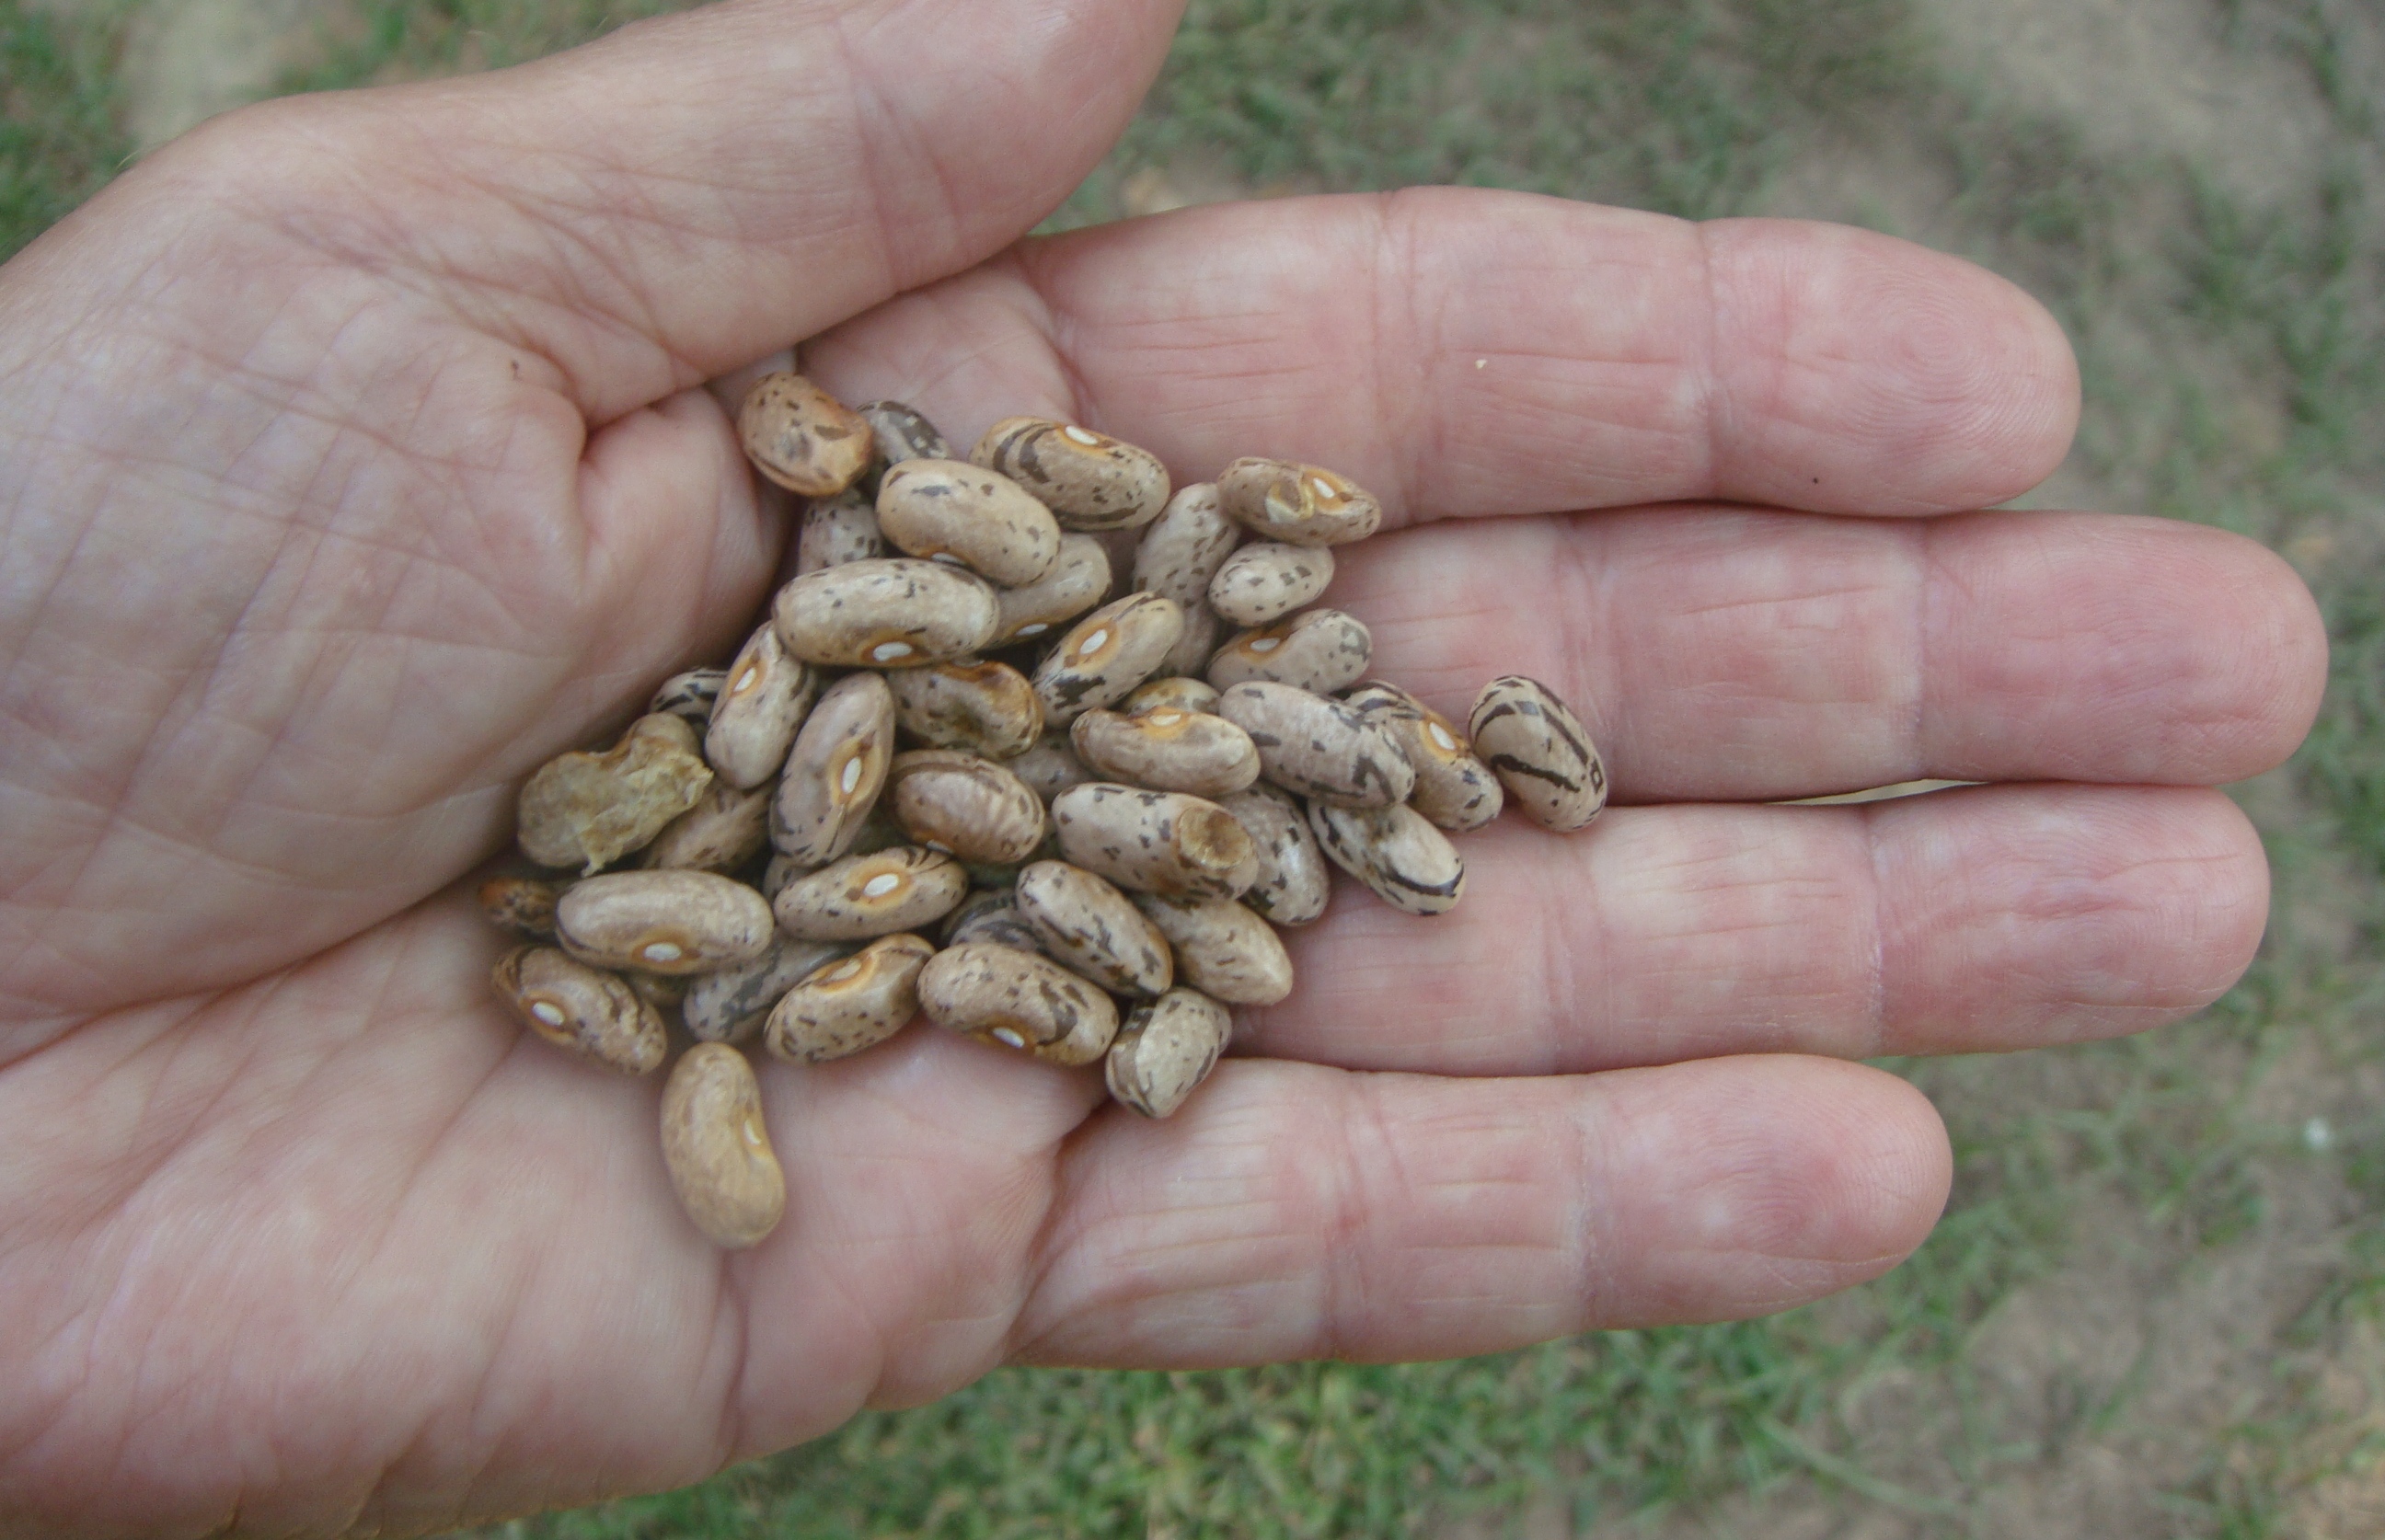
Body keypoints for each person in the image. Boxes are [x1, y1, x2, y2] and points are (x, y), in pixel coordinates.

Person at [0, 0, 2328, 1532]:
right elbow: (911, 782)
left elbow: (1001, 765)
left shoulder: (1114, 707)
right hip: (873, 816)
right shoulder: (858, 750)